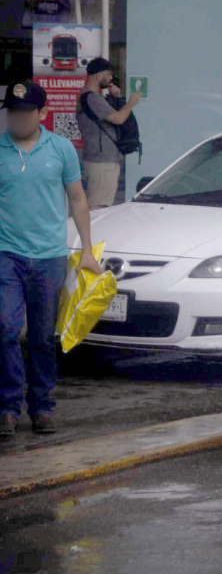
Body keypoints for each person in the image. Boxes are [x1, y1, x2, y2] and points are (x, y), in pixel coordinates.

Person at [1, 81, 101, 436]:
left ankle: (42, 407)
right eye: (12, 113)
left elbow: (77, 199)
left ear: (42, 114)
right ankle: (8, 408)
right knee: (6, 329)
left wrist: (86, 250)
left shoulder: (60, 149)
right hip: (6, 255)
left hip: (49, 257)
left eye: (25, 113)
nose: (17, 119)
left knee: (43, 337)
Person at [78, 58, 140, 209]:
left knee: (100, 204)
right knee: (98, 207)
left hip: (101, 159)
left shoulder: (89, 96)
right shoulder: (92, 97)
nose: (111, 78)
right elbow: (118, 118)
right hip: (101, 162)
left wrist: (116, 98)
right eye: (108, 74)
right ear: (99, 75)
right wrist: (131, 103)